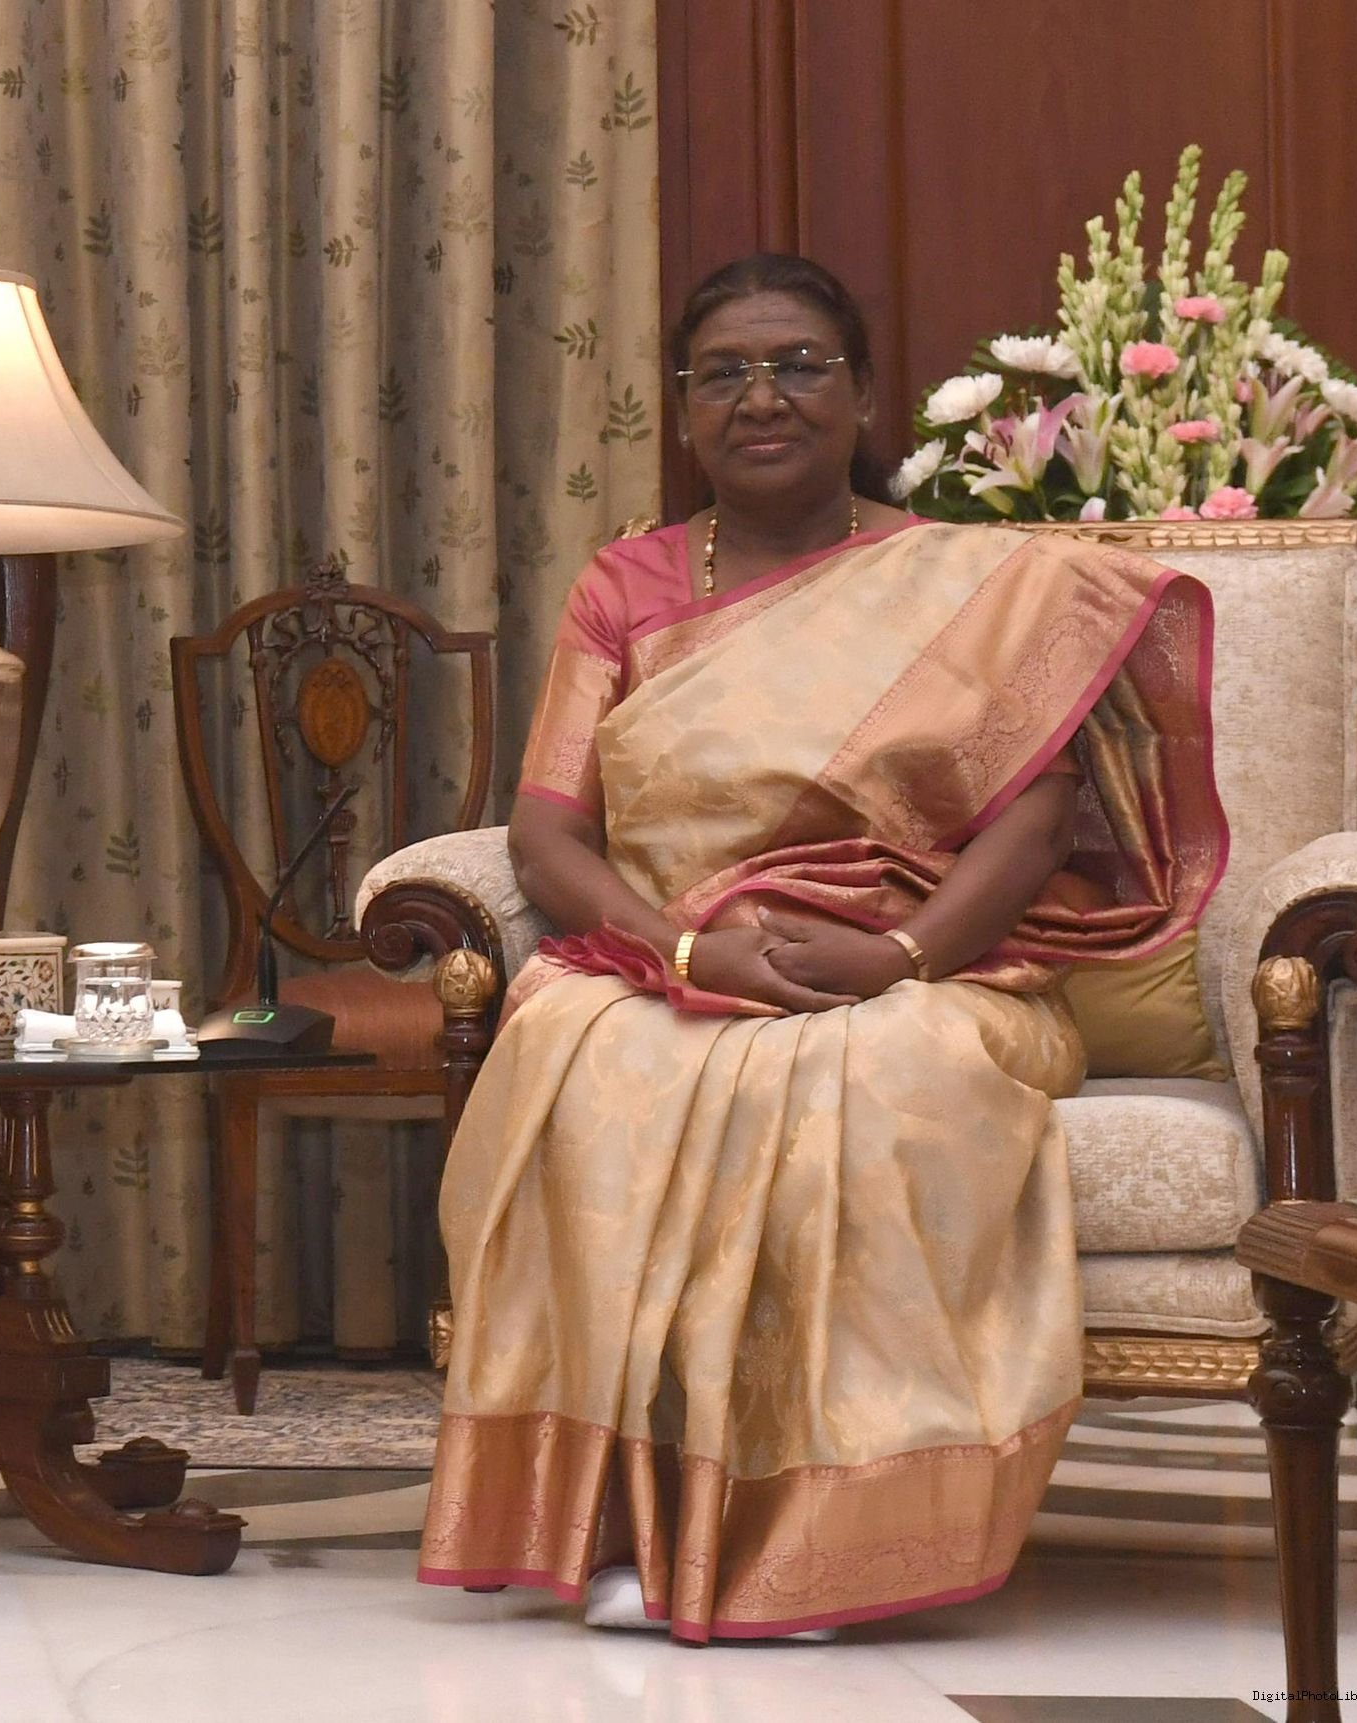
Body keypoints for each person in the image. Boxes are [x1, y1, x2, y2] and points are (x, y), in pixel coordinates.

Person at [418, 253, 1225, 1640]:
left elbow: (1033, 820)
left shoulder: (971, 587)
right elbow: (549, 833)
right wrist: (686, 949)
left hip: (931, 968)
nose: (762, 396)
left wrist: (897, 955)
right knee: (582, 1057)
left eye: (799, 364)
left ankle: (827, 1546)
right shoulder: (625, 585)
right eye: (724, 373)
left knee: (884, 1077)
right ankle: (632, 1524)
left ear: (861, 395)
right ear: (683, 409)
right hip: (675, 961)